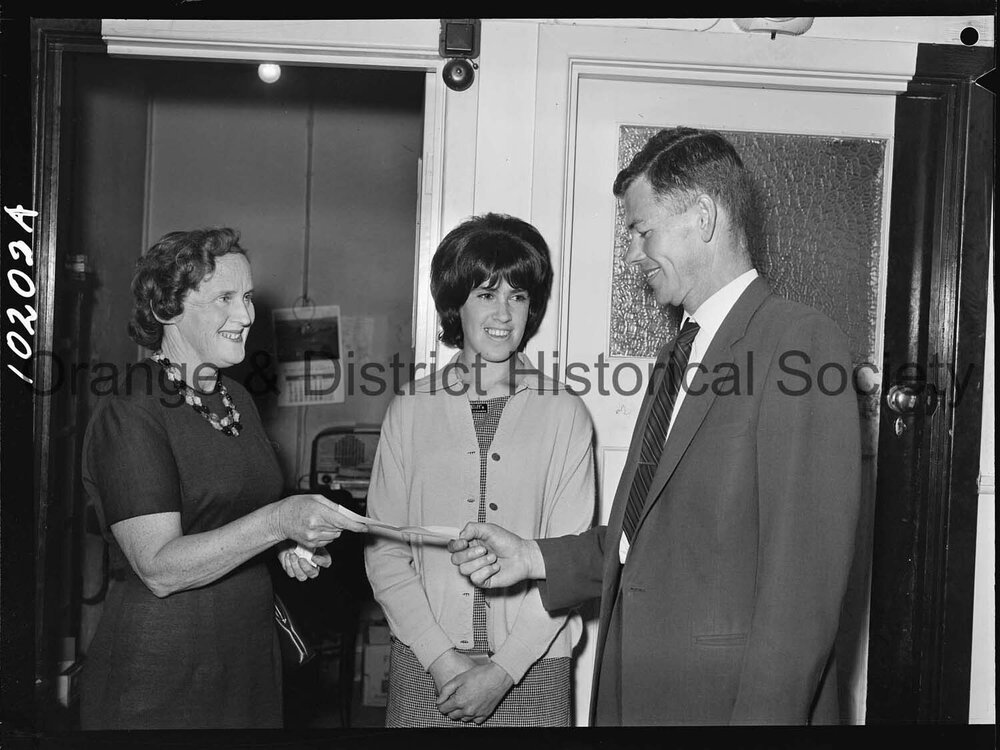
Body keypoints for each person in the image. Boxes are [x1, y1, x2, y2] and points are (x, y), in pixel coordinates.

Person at [449, 128, 862, 726]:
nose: (633, 254)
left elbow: (801, 599)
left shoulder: (800, 346)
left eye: (643, 231)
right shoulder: (679, 353)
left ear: (703, 215)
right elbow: (645, 537)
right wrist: (533, 558)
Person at [79, 228, 367, 730]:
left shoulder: (237, 398)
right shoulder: (132, 409)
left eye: (249, 297)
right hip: (164, 669)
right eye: (225, 298)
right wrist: (279, 522)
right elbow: (159, 567)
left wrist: (283, 546)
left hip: (247, 656)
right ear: (167, 308)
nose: (247, 315)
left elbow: (231, 513)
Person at [364, 213, 596, 727]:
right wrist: (441, 659)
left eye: (517, 296)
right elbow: (385, 553)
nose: (504, 313)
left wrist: (503, 671)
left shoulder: (564, 413)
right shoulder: (411, 408)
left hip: (534, 667)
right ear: (456, 304)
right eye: (486, 294)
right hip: (426, 663)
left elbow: (566, 562)